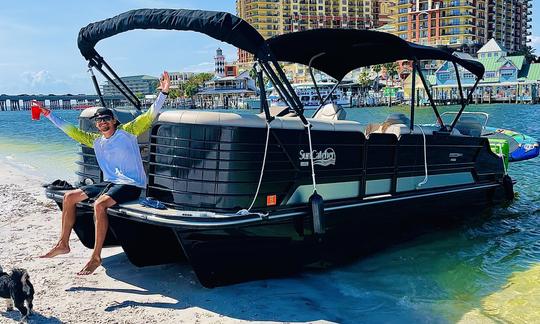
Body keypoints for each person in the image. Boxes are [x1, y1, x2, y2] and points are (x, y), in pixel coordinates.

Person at [38, 71, 170, 275]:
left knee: (99, 204)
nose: (102, 123)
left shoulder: (128, 131)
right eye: (99, 120)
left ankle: (96, 256)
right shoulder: (95, 141)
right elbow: (71, 130)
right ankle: (63, 243)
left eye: (106, 119)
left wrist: (164, 92)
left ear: (114, 120)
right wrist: (48, 114)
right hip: (111, 184)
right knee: (69, 197)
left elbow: (150, 115)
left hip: (131, 185)